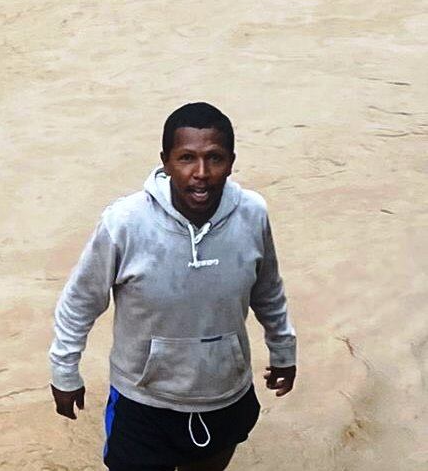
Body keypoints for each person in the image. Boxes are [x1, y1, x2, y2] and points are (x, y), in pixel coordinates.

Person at [49, 103, 297, 471]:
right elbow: (80, 303)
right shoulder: (125, 223)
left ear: (231, 161)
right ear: (165, 162)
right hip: (142, 401)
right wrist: (64, 371)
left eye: (214, 158)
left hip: (225, 395)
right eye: (186, 158)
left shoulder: (252, 214)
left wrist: (284, 350)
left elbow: (268, 292)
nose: (201, 173)